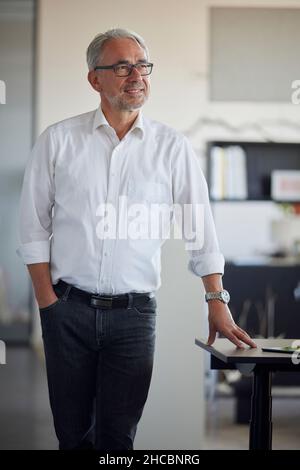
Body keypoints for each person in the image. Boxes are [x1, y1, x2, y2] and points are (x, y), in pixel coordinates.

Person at [17, 28, 256, 450]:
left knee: (118, 440)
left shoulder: (172, 147)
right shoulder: (58, 140)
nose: (136, 75)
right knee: (72, 437)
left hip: (134, 317)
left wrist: (216, 303)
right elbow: (33, 227)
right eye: (122, 66)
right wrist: (47, 304)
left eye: (142, 65)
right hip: (66, 311)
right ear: (95, 79)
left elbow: (200, 230)